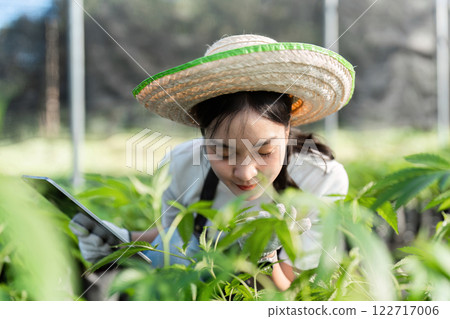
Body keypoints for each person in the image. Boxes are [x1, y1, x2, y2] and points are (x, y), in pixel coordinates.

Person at [70, 34, 355, 291]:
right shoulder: (180, 166)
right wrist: (123, 241)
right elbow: (177, 239)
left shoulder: (321, 179)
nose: (245, 173)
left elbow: (298, 294)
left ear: (288, 129)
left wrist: (266, 257)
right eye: (224, 152)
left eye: (265, 151)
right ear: (202, 135)